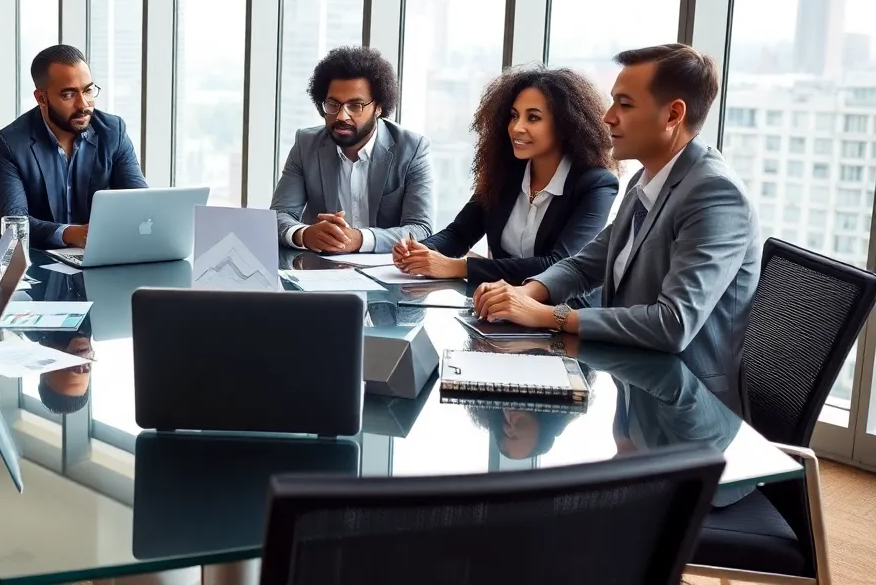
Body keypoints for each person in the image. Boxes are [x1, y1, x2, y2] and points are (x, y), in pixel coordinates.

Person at [473, 44, 761, 413]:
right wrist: (528, 292)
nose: (608, 118)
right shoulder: (646, 178)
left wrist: (548, 316)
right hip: (634, 388)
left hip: (689, 409)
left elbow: (672, 324)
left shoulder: (715, 194)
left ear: (673, 114)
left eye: (624, 105)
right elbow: (586, 263)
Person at [393, 65, 618, 292]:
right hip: (498, 308)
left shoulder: (596, 184)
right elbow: (459, 234)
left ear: (565, 125)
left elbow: (558, 264)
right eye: (513, 116)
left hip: (562, 314)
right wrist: (419, 251)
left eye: (533, 118)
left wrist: (458, 267)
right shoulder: (504, 174)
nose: (517, 127)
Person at [270, 46, 434, 254]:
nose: (341, 116)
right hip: (320, 272)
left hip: (389, 273)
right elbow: (278, 215)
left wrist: (360, 239)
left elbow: (422, 229)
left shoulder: (412, 149)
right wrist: (304, 234)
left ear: (379, 107)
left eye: (355, 106)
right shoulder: (306, 144)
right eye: (333, 104)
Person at [0, 44, 147, 250]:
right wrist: (71, 234)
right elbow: (13, 225)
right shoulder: (10, 144)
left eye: (88, 90)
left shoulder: (112, 131)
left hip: (101, 254)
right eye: (68, 95)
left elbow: (141, 203)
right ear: (41, 98)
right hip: (39, 260)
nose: (83, 104)